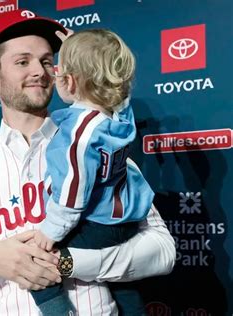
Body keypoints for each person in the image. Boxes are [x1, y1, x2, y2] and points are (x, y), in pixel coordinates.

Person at [0, 9, 175, 316]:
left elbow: (163, 252)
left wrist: (71, 262)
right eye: (23, 62)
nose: (40, 71)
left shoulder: (96, 140)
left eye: (47, 61)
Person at [31, 29, 154, 316]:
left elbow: (73, 192)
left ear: (69, 81)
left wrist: (51, 232)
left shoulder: (79, 133)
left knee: (38, 265)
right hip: (124, 223)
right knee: (122, 283)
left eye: (59, 71)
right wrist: (87, 53)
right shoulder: (117, 117)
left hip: (98, 226)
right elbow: (121, 97)